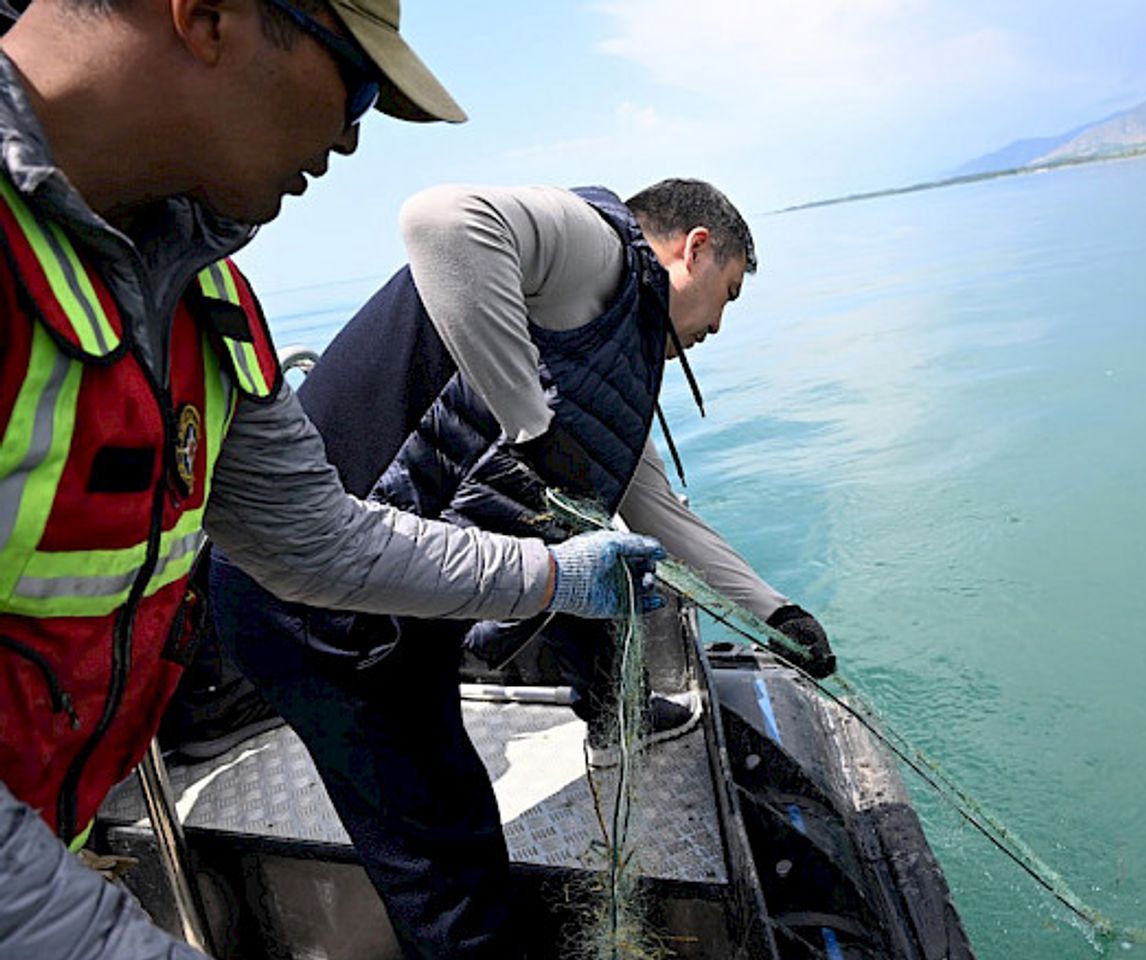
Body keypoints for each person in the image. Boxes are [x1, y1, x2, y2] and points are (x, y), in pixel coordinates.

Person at [0, 2, 662, 957]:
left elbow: (320, 540)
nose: (351, 138)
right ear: (208, 16)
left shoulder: (204, 302)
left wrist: (557, 576)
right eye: (353, 83)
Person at [199, 178, 837, 959]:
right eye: (728, 295)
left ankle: (610, 709)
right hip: (312, 601)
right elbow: (438, 220)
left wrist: (774, 612)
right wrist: (530, 425)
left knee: (589, 552)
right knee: (446, 858)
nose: (718, 324)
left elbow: (654, 510)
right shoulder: (596, 245)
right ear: (694, 249)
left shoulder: (621, 350)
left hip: (404, 596)